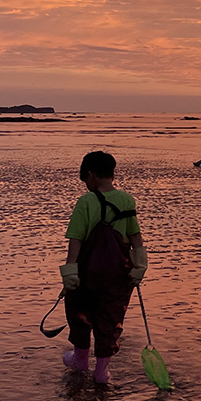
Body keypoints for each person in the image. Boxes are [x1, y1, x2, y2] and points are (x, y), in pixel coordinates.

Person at [59, 151, 147, 385]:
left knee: (79, 313)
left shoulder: (86, 202)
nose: (86, 185)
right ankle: (101, 371)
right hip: (117, 272)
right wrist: (139, 267)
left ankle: (80, 360)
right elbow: (135, 237)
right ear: (112, 174)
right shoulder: (127, 200)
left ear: (90, 175)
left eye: (85, 180)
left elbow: (76, 239)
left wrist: (70, 273)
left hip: (87, 272)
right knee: (110, 317)